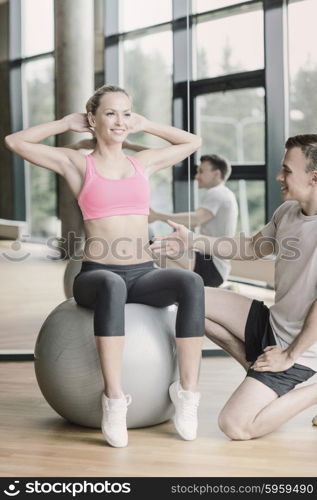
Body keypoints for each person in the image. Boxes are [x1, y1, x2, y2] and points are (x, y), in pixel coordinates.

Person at [4, 84, 205, 447]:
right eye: (110, 113)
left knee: (190, 283)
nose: (120, 120)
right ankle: (114, 400)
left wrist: (146, 124)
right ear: (92, 120)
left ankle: (187, 395)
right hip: (96, 274)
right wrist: (64, 122)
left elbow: (192, 142)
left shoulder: (141, 162)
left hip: (144, 272)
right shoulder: (77, 162)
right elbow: (15, 141)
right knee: (112, 284)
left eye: (126, 113)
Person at [151, 134, 317, 440]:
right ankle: (259, 370)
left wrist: (290, 355)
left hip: (305, 348)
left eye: (287, 171)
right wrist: (192, 240)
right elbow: (251, 248)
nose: (279, 176)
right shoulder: (287, 213)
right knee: (189, 297)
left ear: (313, 177)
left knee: (235, 425)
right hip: (274, 322)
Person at [149, 154, 238, 287]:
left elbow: (196, 219)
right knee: (157, 254)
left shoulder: (217, 193)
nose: (197, 176)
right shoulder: (225, 194)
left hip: (211, 267)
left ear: (216, 174)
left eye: (201, 171)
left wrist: (157, 216)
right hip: (213, 267)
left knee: (152, 248)